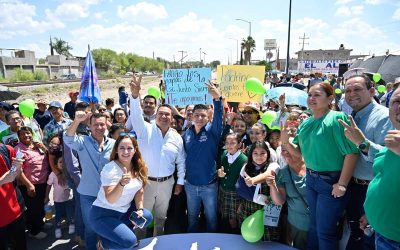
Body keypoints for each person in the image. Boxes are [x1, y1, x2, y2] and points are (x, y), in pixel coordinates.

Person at [281, 82, 359, 250]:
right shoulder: (306, 123)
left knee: (325, 232)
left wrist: (342, 184)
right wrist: (285, 140)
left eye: (317, 95)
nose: (311, 98)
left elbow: (352, 153)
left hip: (331, 182)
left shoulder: (338, 119)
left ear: (330, 98)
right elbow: (299, 154)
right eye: (310, 95)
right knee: (315, 227)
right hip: (311, 179)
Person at [338, 74, 392, 250]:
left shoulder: (384, 117)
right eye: (348, 90)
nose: (351, 94)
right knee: (355, 233)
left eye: (357, 89)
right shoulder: (352, 115)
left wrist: (362, 143)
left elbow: (389, 160)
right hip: (352, 187)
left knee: (367, 239)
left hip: (371, 190)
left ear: (371, 91)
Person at [128, 75, 186, 237]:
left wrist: (179, 182)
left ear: (171, 117)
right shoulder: (144, 129)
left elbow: (181, 162)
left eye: (168, 114)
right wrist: (134, 96)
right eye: (161, 113)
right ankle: (138, 244)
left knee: (161, 217)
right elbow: (135, 115)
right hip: (146, 183)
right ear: (156, 115)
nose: (164, 116)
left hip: (168, 183)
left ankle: (157, 242)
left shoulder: (176, 137)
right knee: (141, 218)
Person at [89, 133, 152, 249]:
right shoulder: (110, 169)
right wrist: (121, 183)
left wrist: (140, 209)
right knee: (129, 242)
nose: (126, 152)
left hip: (124, 212)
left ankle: (121, 236)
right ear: (116, 150)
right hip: (103, 214)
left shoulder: (138, 166)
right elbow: (110, 199)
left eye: (129, 148)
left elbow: (139, 190)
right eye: (122, 148)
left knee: (147, 216)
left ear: (135, 150)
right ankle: (103, 244)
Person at [64, 112, 115, 250]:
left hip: (109, 194)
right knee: (91, 228)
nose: (99, 127)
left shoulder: (114, 144)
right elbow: (68, 139)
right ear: (90, 127)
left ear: (107, 125)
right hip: (88, 194)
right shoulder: (82, 141)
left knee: (107, 225)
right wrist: (76, 121)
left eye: (102, 124)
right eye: (95, 124)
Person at [362, 86, 400, 250]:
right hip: (382, 234)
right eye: (396, 101)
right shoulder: (392, 142)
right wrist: (371, 215)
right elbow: (384, 181)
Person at [182, 81, 222, 233]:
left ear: (208, 117)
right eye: (196, 115)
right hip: (190, 185)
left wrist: (217, 99)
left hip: (209, 186)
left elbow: (219, 117)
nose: (199, 118)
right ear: (191, 116)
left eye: (203, 116)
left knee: (211, 218)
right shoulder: (187, 133)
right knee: (192, 217)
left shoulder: (213, 131)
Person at [237, 141, 282, 241]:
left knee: (267, 239)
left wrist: (252, 181)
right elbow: (240, 188)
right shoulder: (246, 167)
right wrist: (240, 203)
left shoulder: (274, 166)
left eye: (262, 153)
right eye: (255, 153)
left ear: (268, 154)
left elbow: (268, 175)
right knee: (249, 236)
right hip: (247, 207)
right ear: (251, 154)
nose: (259, 156)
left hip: (266, 210)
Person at [268, 145, 309, 250]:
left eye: (289, 149)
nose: (285, 153)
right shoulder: (283, 173)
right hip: (299, 225)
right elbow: (280, 201)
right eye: (283, 150)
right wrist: (272, 185)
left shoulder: (313, 167)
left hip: (321, 223)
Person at [15, 126, 50, 240]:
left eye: (28, 133)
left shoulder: (36, 146)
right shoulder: (18, 150)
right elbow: (18, 170)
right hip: (29, 184)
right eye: (23, 134)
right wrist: (28, 185)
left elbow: (49, 157)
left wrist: (43, 147)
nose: (26, 136)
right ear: (19, 137)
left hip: (42, 181)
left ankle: (40, 223)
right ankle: (33, 231)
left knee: (40, 205)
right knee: (32, 208)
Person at [217, 132, 247, 233]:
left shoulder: (244, 160)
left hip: (235, 194)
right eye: (227, 143)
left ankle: (234, 236)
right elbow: (219, 169)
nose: (229, 145)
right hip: (223, 191)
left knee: (233, 219)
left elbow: (244, 182)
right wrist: (219, 173)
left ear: (239, 144)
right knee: (223, 215)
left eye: (232, 143)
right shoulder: (224, 154)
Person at [0, 144, 25, 250]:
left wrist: (17, 169)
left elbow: (17, 173)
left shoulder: (6, 149)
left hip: (15, 211)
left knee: (20, 245)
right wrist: (2, 181)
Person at [45, 155, 74, 239]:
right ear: (56, 164)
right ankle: (57, 228)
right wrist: (46, 196)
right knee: (58, 214)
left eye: (64, 162)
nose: (62, 164)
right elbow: (48, 185)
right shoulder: (53, 174)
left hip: (69, 198)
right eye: (60, 162)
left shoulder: (69, 172)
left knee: (70, 212)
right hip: (58, 200)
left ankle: (71, 224)